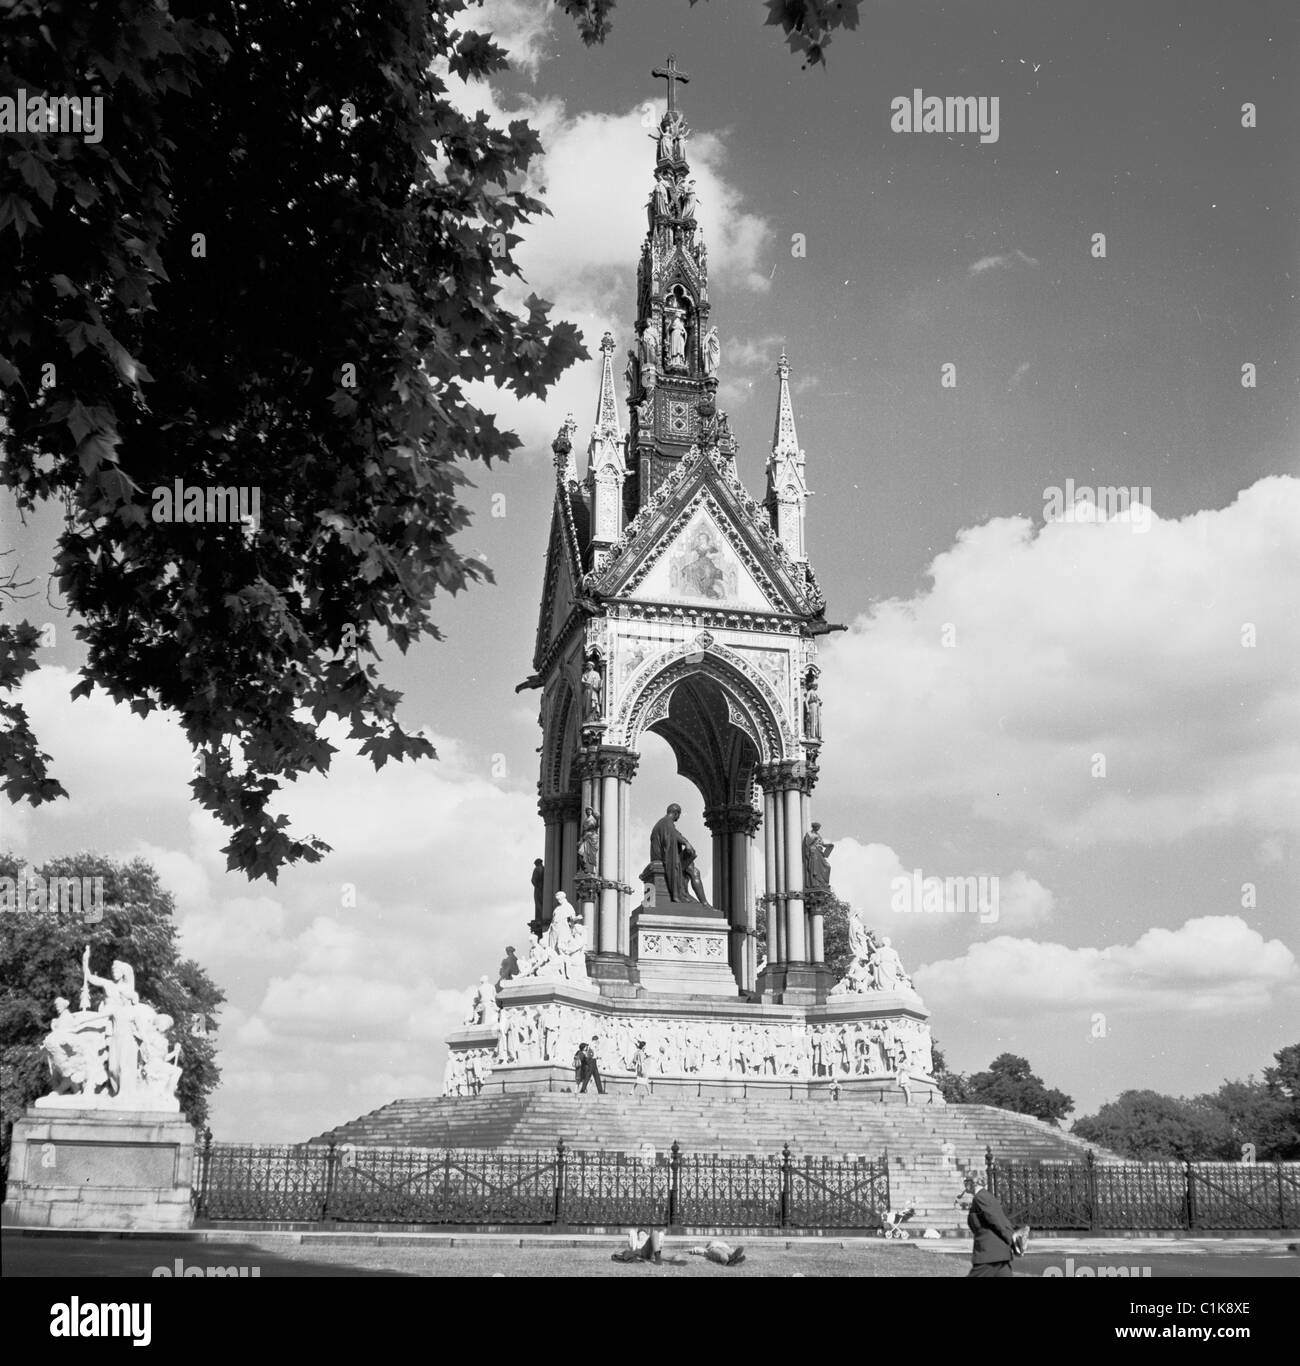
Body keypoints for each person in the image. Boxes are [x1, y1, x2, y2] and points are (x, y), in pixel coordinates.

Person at [965, 1177, 1028, 1277]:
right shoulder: (984, 1197)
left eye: (966, 1181)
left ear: (974, 1183)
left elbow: (996, 1219)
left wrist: (1012, 1237)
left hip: (989, 1255)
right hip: (999, 1255)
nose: (965, 1185)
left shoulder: (981, 1197)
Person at [650, 803, 695, 903]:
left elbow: (676, 834)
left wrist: (685, 841)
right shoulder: (667, 822)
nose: (678, 818)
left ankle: (685, 893)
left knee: (690, 870)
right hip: (665, 858)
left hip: (661, 856)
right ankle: (683, 896)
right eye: (679, 815)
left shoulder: (663, 823)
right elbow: (673, 835)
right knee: (693, 871)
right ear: (676, 813)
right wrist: (686, 843)